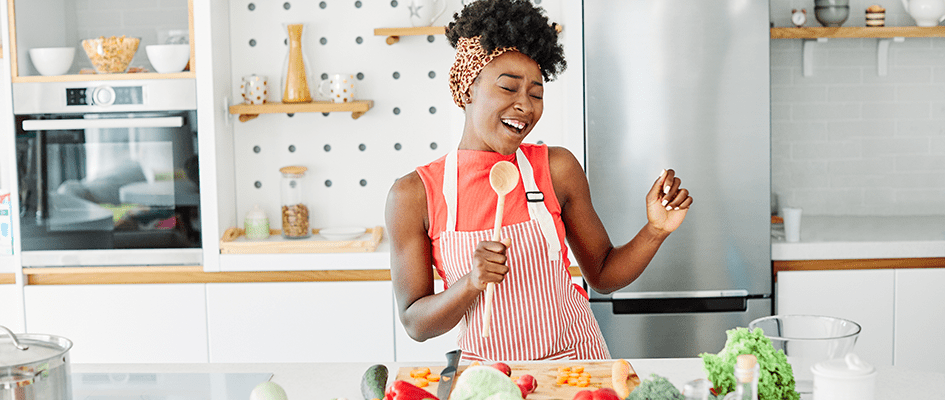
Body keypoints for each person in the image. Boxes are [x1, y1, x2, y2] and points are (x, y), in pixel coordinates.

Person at [384, 0, 693, 361]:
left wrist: (655, 230)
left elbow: (604, 275)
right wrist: (472, 283)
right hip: (489, 376)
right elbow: (415, 324)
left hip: (576, 366)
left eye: (536, 93)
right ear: (468, 89)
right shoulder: (413, 195)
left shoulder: (556, 168)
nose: (526, 106)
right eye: (508, 88)